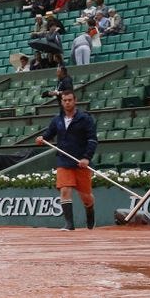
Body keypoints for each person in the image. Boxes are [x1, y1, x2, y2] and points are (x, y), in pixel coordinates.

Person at [36, 90, 99, 231]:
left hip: (80, 162)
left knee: (86, 197)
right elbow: (49, 134)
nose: (67, 103)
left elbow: (92, 140)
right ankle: (69, 224)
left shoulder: (85, 118)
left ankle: (90, 212)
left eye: (69, 100)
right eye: (64, 100)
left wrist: (86, 158)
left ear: (75, 100)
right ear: (61, 101)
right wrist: (42, 138)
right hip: (63, 160)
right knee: (64, 190)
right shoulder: (57, 119)